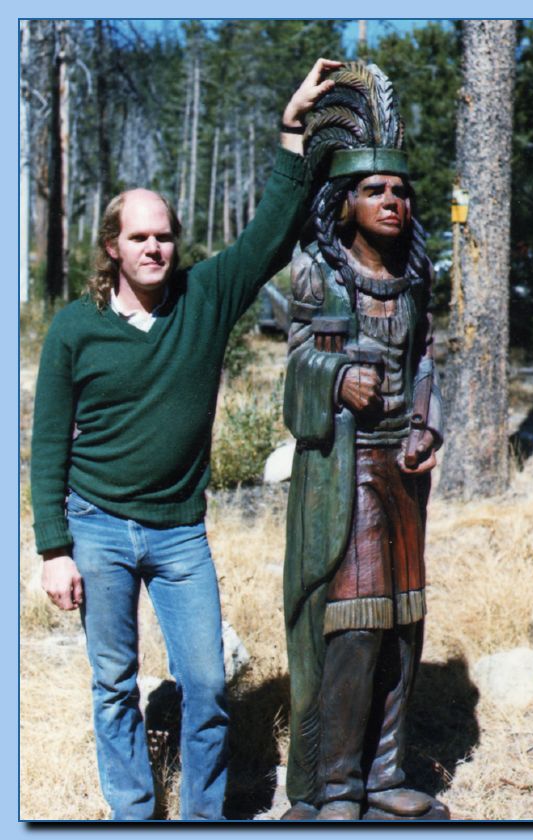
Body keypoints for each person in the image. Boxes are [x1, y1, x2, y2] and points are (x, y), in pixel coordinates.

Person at [30, 58, 342, 822]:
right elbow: (46, 445)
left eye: (165, 236)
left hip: (178, 534)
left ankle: (201, 820)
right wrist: (53, 547)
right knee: (112, 682)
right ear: (112, 246)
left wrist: (290, 130)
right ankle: (135, 814)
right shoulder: (75, 328)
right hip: (97, 525)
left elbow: (270, 233)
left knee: (204, 681)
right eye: (138, 237)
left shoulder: (204, 297)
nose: (155, 250)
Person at [281, 62, 447, 821]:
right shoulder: (320, 275)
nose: (393, 200)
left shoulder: (413, 283)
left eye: (401, 190)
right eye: (376, 189)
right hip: (343, 475)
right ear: (344, 202)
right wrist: (333, 376)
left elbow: (425, 365)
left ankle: (384, 775)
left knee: (404, 626)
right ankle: (335, 784)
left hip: (401, 473)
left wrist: (425, 421)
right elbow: (293, 372)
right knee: (352, 629)